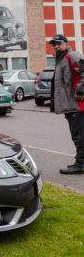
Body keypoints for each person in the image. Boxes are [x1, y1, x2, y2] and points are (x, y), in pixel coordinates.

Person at [50, 34, 84, 174]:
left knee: (79, 136)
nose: (56, 46)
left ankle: (81, 164)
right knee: (79, 136)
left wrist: (81, 90)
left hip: (78, 105)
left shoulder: (72, 55)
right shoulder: (61, 59)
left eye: (59, 43)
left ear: (65, 43)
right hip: (71, 106)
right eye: (54, 44)